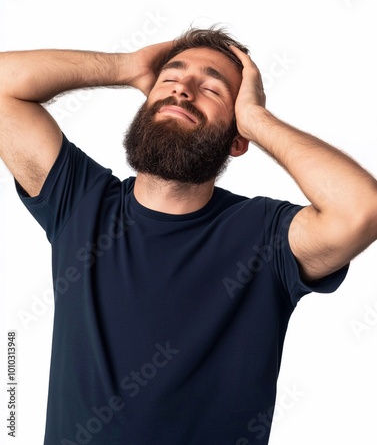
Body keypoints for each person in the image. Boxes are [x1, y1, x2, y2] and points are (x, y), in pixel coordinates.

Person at [0, 27, 376, 445]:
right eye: (171, 78)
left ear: (237, 140)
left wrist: (256, 119)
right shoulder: (80, 202)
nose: (183, 91)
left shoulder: (266, 235)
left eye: (211, 90)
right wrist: (126, 67)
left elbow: (361, 210)